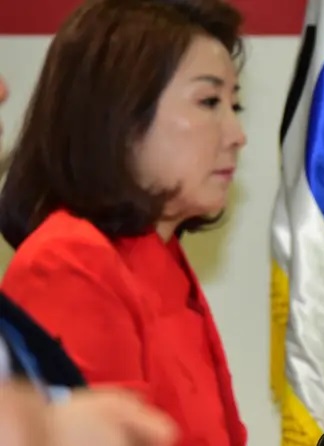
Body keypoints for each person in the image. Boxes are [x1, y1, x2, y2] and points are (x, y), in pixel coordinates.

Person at [0, 0, 248, 445]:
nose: (236, 135)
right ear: (120, 113)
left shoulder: (160, 255)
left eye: (235, 105)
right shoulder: (69, 263)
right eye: (209, 101)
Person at [0, 74, 176, 446]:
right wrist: (48, 432)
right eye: (208, 101)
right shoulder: (67, 258)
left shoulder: (167, 261)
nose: (3, 89)